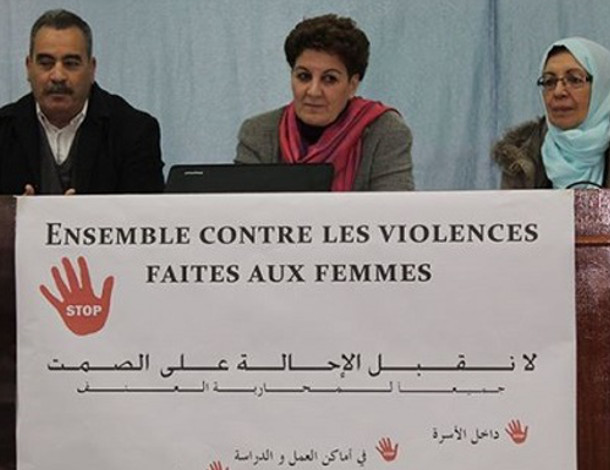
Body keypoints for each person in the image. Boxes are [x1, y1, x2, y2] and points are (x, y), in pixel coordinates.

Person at [235, 14, 414, 191]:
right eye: (304, 76)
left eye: (329, 79)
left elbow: (394, 208)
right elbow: (242, 207)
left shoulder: (385, 132)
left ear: (352, 85)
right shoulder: (259, 132)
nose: (313, 92)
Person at [0, 9, 164, 195]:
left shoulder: (133, 131)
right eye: (46, 63)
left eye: (71, 63)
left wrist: (84, 211)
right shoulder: (4, 129)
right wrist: (10, 211)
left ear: (92, 69)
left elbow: (147, 211)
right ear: (29, 68)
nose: (58, 76)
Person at [492, 37, 610, 189]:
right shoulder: (522, 159)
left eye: (574, 80)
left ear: (603, 88)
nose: (558, 92)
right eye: (549, 81)